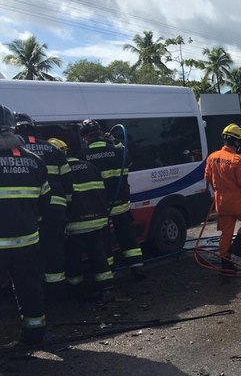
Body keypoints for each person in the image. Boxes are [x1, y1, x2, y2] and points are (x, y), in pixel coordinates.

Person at [0, 106, 49, 344]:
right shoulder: (35, 161)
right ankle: (34, 333)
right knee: (29, 287)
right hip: (27, 241)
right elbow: (45, 200)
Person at [78, 119, 145, 279]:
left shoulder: (83, 156)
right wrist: (115, 142)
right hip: (121, 203)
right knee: (128, 237)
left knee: (104, 241)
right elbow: (128, 160)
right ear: (101, 133)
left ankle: (109, 271)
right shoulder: (117, 151)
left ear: (85, 137)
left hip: (99, 207)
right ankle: (137, 268)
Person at [14, 114, 73, 297]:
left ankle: (35, 289)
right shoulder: (52, 148)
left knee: (30, 251)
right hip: (55, 209)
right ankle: (56, 289)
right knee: (54, 247)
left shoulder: (16, 150)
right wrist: (66, 203)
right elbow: (68, 181)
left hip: (28, 211)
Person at [48, 138, 113, 300]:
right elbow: (102, 192)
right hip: (97, 220)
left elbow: (63, 199)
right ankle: (106, 286)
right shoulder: (90, 166)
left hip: (74, 223)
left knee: (73, 258)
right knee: (98, 254)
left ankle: (76, 289)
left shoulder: (59, 173)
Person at [205, 123, 241, 274]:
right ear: (236, 142)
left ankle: (226, 263)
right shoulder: (237, 160)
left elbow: (208, 178)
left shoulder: (212, 157)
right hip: (238, 202)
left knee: (226, 233)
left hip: (221, 202)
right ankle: (237, 245)